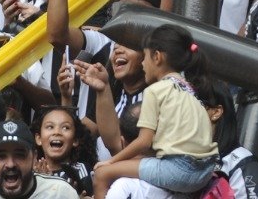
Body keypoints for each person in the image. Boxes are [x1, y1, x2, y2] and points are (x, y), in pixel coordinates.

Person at [91, 25, 217, 199]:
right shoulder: (189, 88)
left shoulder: (155, 90)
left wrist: (111, 161)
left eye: (145, 57)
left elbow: (143, 141)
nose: (143, 64)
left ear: (157, 57)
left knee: (102, 173)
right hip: (204, 171)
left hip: (180, 172)